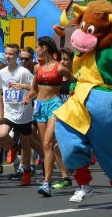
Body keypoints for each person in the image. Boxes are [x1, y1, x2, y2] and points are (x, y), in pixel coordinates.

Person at [27, 37, 74, 196]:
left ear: (45, 48)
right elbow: (34, 89)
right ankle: (55, 177)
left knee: (48, 141)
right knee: (47, 145)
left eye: (37, 46)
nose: (36, 49)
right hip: (40, 106)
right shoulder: (37, 68)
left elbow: (75, 80)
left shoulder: (60, 68)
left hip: (55, 104)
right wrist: (28, 97)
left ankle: (46, 183)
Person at [0, 43, 35, 186]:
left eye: (11, 54)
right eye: (6, 53)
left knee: (26, 144)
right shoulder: (2, 73)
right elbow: (0, 93)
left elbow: (35, 88)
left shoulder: (23, 72)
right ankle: (13, 147)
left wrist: (25, 88)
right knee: (1, 135)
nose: (8, 56)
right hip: (10, 112)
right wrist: (1, 112)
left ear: (17, 56)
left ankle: (26, 171)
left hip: (24, 113)